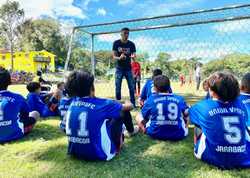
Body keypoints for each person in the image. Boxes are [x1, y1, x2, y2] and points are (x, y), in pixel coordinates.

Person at [65, 70, 138, 161]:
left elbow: (63, 127)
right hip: (99, 154)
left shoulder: (72, 102)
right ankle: (131, 131)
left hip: (74, 151)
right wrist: (127, 101)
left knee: (102, 118)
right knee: (122, 112)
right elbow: (129, 107)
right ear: (91, 88)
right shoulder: (104, 104)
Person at [189, 72, 250, 169]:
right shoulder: (241, 104)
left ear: (212, 91)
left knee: (199, 123)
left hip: (212, 157)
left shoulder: (203, 106)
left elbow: (191, 118)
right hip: (243, 157)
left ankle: (199, 147)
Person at [136, 75, 189, 140]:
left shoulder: (151, 99)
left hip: (154, 133)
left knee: (139, 116)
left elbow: (144, 116)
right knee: (186, 112)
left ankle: (144, 129)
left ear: (155, 88)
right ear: (169, 87)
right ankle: (184, 127)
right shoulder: (179, 98)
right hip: (179, 134)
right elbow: (187, 113)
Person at [0, 68, 39, 143]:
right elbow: (26, 114)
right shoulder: (18, 97)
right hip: (13, 134)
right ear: (9, 82)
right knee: (35, 113)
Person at [113, 27, 136, 107]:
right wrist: (119, 58)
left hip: (128, 69)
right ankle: (118, 104)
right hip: (119, 68)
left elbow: (133, 56)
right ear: (121, 34)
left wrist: (133, 57)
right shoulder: (116, 43)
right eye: (125, 33)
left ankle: (133, 103)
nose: (126, 35)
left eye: (127, 33)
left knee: (131, 87)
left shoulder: (131, 44)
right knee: (118, 87)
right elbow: (114, 56)